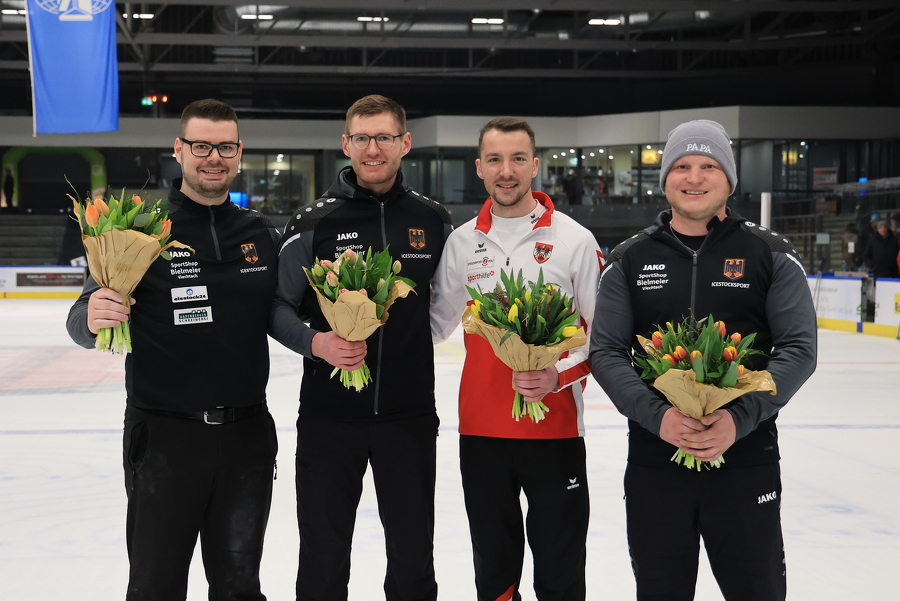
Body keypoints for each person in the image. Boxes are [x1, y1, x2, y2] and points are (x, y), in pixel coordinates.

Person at [589, 119, 817, 601]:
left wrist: (738, 420)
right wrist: (660, 417)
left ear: (729, 179)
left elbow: (798, 350)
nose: (694, 178)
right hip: (656, 462)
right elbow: (606, 352)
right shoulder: (629, 259)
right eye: (682, 166)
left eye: (708, 166)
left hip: (745, 460)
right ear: (665, 178)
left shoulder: (770, 253)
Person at [66, 99, 280, 600]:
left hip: (247, 436)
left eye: (225, 147)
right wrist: (92, 315)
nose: (214, 157)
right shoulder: (138, 228)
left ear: (239, 152)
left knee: (239, 586)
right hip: (164, 437)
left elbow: (284, 313)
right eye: (201, 145)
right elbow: (81, 317)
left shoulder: (261, 233)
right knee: (155, 586)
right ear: (179, 150)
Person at [268, 94, 452, 601]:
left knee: (414, 560)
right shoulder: (312, 222)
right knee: (323, 562)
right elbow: (277, 307)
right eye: (363, 138)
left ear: (405, 144)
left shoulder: (435, 221)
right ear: (345, 143)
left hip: (409, 417)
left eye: (385, 137)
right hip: (330, 420)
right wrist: (316, 343)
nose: (374, 149)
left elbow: (452, 302)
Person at [431, 117, 604, 601]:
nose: (506, 171)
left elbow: (601, 338)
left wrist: (557, 374)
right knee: (494, 571)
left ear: (535, 165)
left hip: (556, 431)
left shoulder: (576, 240)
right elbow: (433, 324)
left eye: (518, 159)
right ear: (480, 168)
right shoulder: (461, 242)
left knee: (560, 569)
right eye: (495, 160)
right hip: (482, 433)